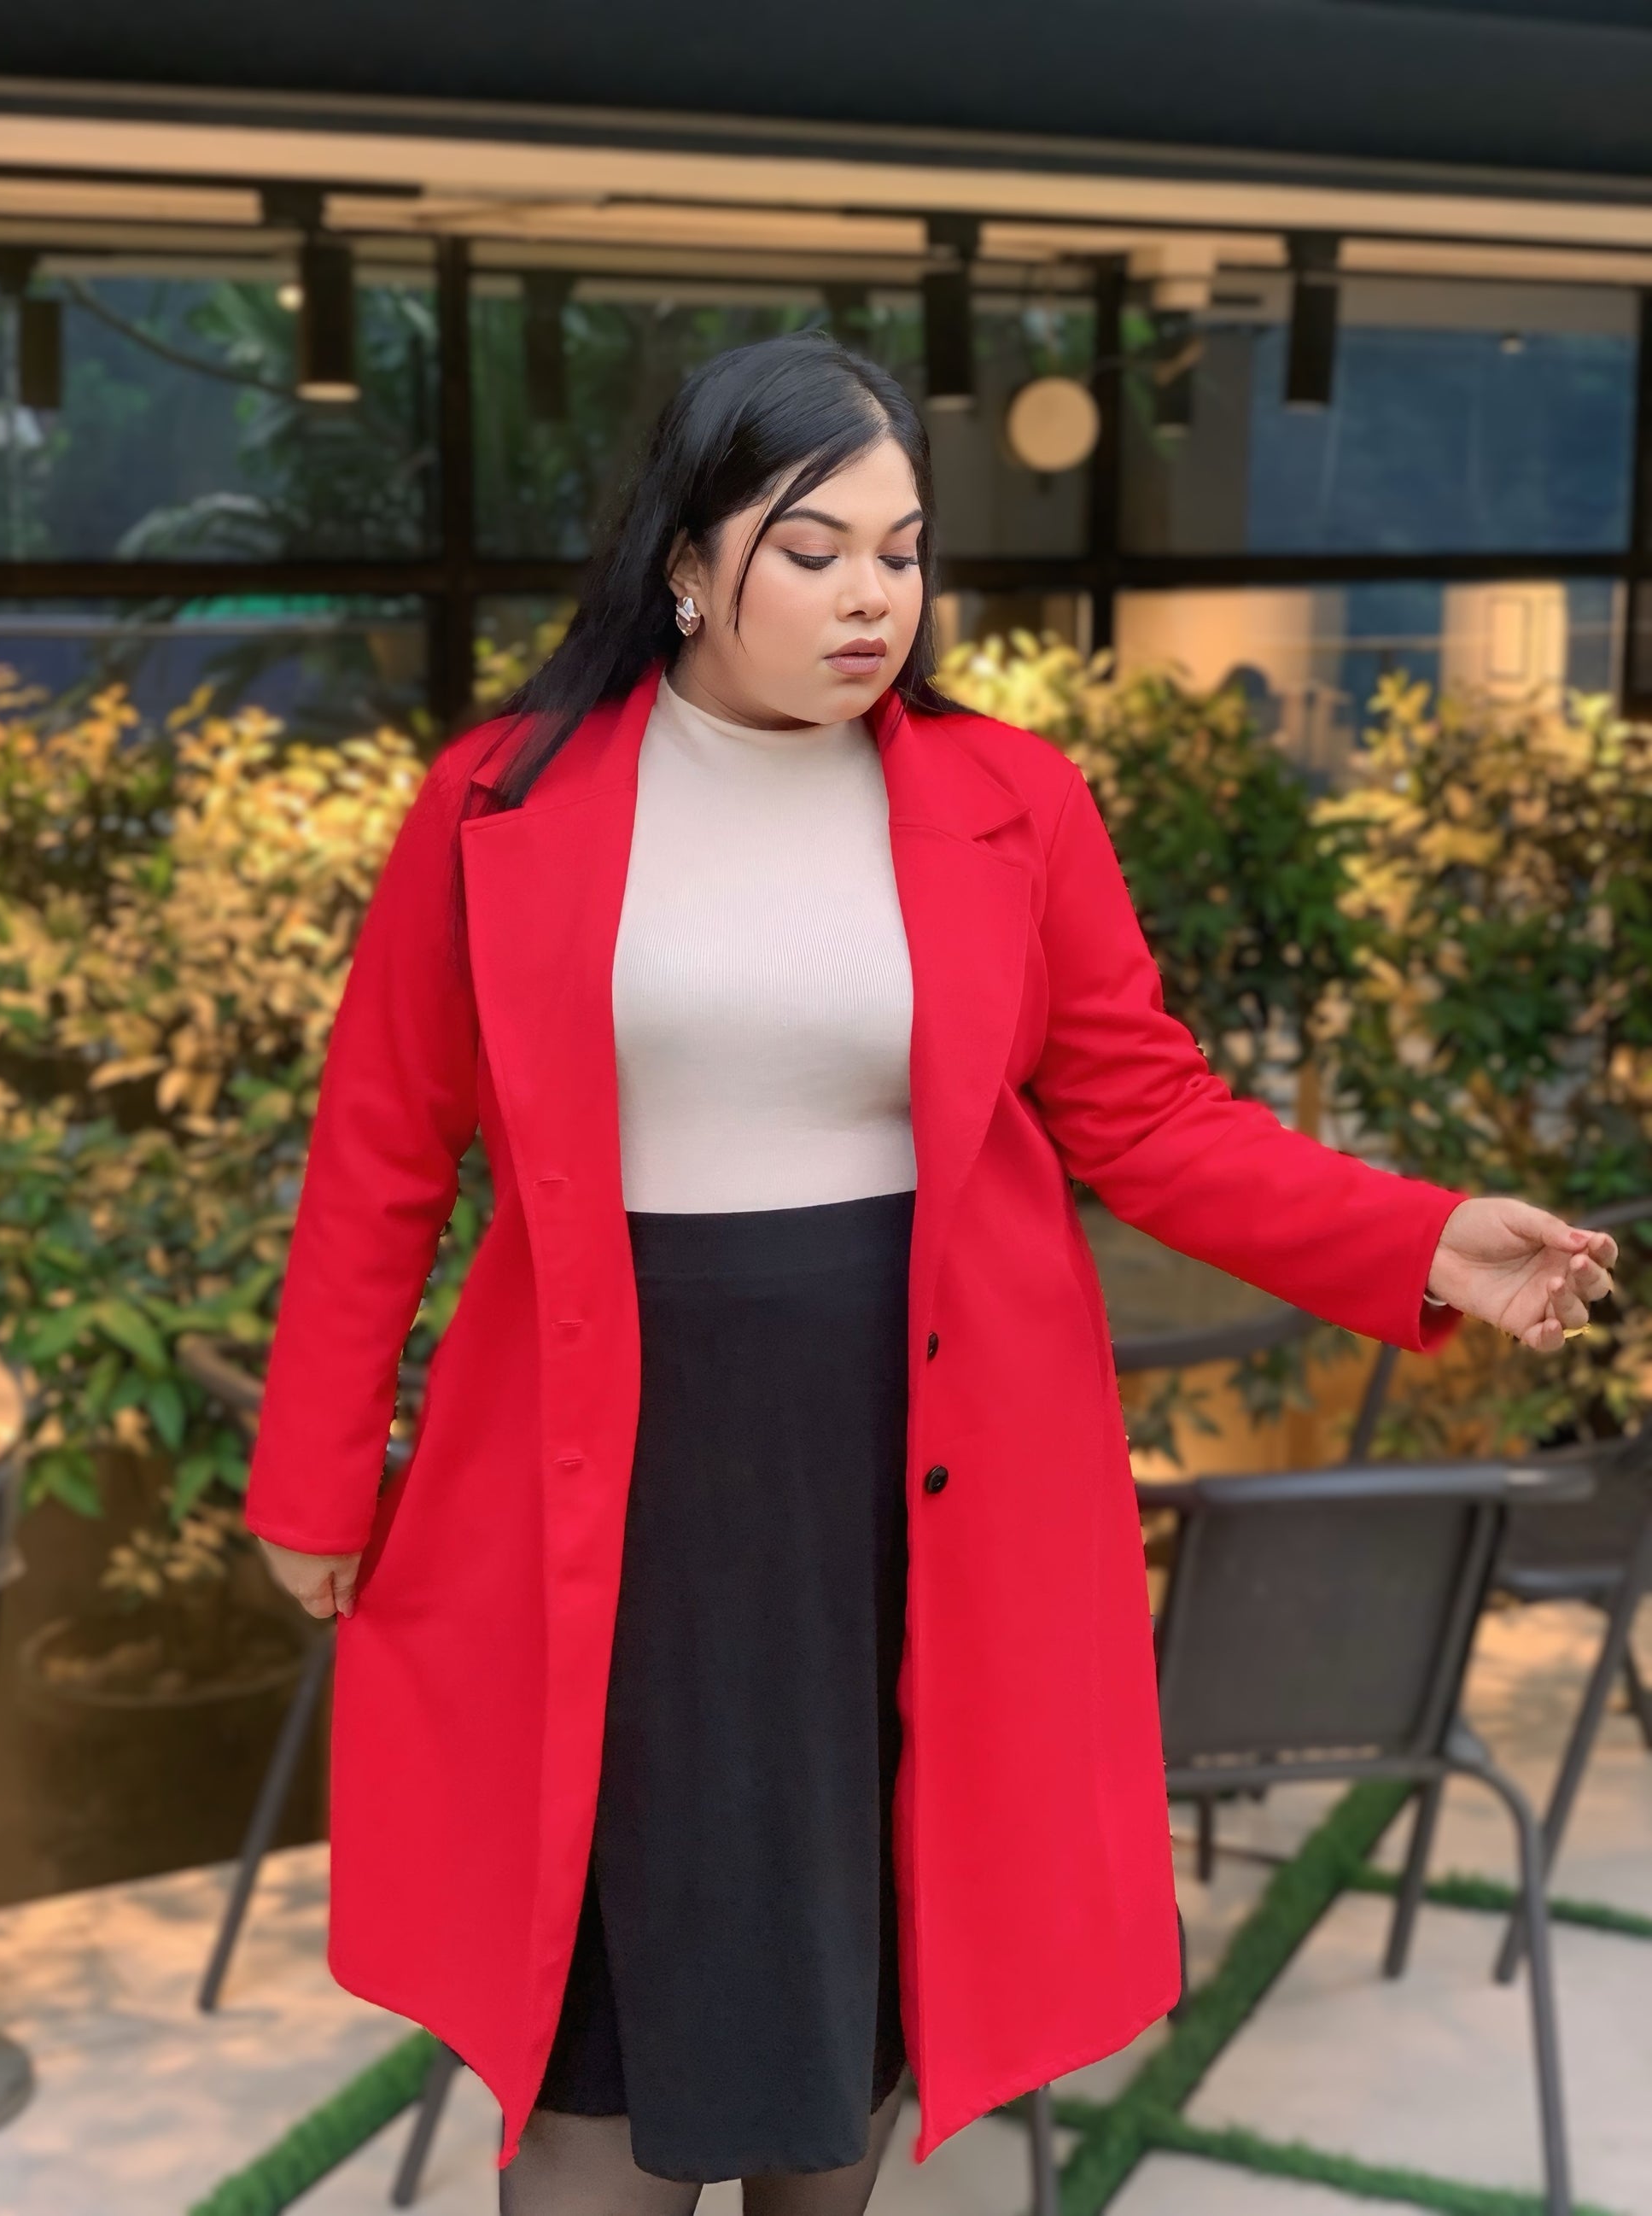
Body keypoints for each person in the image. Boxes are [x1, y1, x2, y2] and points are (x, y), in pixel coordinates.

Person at [243, 330, 1618, 2216]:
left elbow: (1150, 1115)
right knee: (588, 2021)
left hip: (906, 1456)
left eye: (902, 548)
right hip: (603, 1460)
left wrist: (1419, 1232)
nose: (872, 594)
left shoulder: (1006, 799)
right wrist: (316, 1478)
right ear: (682, 555)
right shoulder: (499, 800)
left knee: (857, 1984)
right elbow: (382, 1151)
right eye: (813, 549)